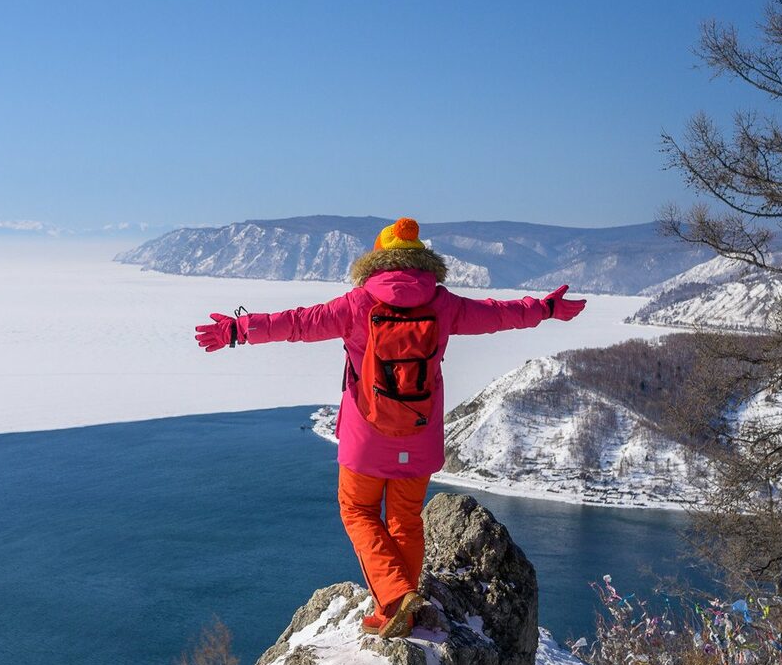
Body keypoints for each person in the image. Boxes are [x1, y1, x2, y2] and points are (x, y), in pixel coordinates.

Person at [194, 217, 586, 637]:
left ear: (377, 261)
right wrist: (544, 309)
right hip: (419, 433)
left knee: (358, 511)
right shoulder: (442, 303)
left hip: (366, 436)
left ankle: (396, 600)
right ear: (422, 263)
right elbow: (497, 315)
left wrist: (238, 329)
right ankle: (404, 610)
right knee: (405, 520)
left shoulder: (357, 304)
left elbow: (297, 323)